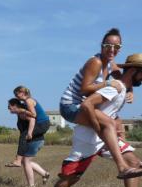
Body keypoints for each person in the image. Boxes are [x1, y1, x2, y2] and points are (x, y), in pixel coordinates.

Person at [38, 53, 142, 187]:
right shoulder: (114, 87)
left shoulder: (123, 89)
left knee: (134, 163)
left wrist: (118, 131)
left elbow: (112, 113)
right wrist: (99, 127)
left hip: (106, 136)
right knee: (71, 178)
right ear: (134, 70)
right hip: (88, 138)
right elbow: (87, 105)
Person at [59, 28, 142, 179]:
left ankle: (112, 150)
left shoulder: (111, 64)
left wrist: (131, 91)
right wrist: (108, 83)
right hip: (70, 106)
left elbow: (126, 78)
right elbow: (84, 89)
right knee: (109, 124)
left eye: (117, 47)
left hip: (83, 104)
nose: (112, 50)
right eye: (108, 46)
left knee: (114, 123)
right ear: (102, 45)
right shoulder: (95, 62)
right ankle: (122, 167)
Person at [8, 98, 50, 187]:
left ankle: (31, 186)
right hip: (36, 140)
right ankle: (44, 174)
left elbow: (32, 119)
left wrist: (29, 133)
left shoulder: (22, 113)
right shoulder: (21, 113)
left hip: (35, 140)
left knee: (26, 161)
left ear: (15, 106)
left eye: (9, 106)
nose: (8, 109)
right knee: (26, 161)